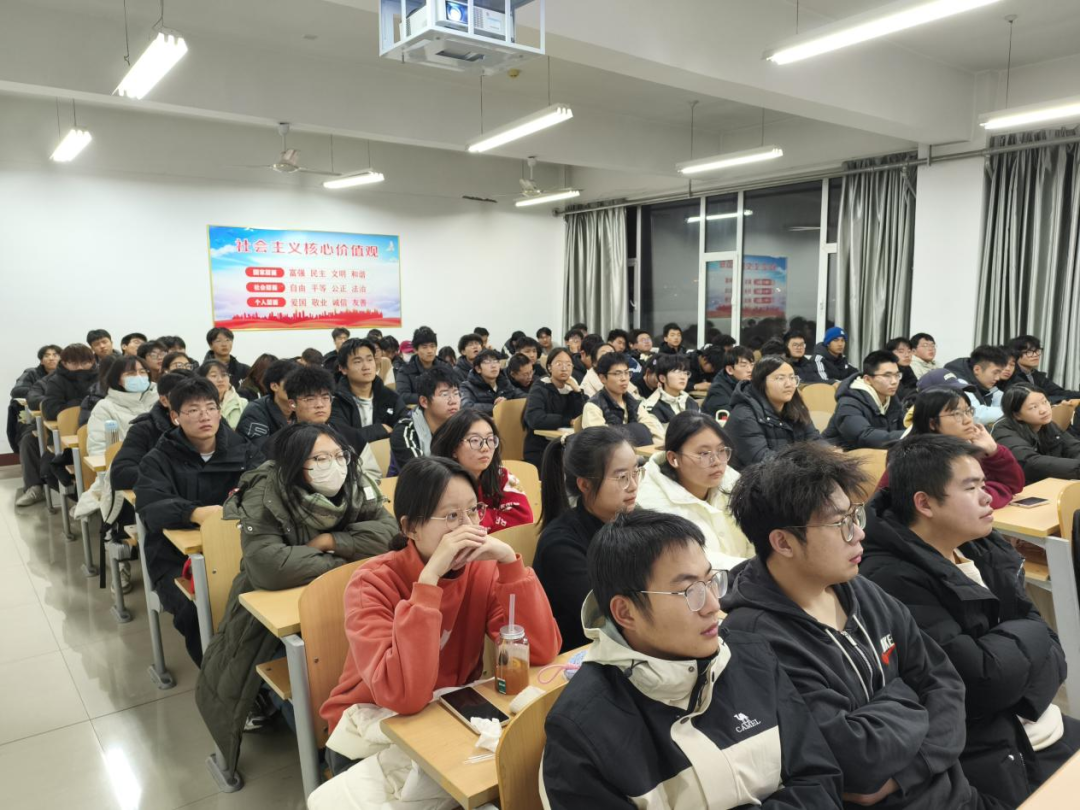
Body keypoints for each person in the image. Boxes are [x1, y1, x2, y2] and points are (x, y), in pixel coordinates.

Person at [721, 443, 991, 810]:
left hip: (954, 792)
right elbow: (859, 760)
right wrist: (909, 696)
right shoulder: (754, 637)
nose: (859, 534)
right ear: (783, 542)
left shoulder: (860, 589)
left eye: (855, 516)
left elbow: (945, 682)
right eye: (840, 524)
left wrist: (906, 767)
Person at [541, 511, 844, 810]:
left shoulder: (753, 657)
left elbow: (820, 780)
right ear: (625, 612)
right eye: (689, 591)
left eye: (711, 581)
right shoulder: (580, 729)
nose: (713, 604)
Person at [311, 457, 560, 798]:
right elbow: (406, 697)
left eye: (473, 511)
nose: (468, 527)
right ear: (410, 527)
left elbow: (541, 651)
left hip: (450, 713)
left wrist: (509, 564)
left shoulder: (481, 569)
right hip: (371, 730)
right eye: (452, 517)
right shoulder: (371, 583)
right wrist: (428, 582)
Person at [864, 435, 1080, 806]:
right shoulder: (890, 577)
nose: (987, 497)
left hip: (1038, 722)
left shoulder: (979, 543)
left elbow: (1055, 652)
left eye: (984, 484)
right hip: (994, 753)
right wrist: (1031, 635)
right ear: (924, 503)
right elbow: (982, 684)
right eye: (971, 487)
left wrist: (1019, 675)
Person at [196, 422, 397, 774]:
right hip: (272, 612)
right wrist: (345, 561)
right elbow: (268, 565)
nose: (334, 466)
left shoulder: (355, 482)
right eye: (319, 459)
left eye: (339, 455)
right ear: (293, 463)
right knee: (307, 671)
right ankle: (323, 753)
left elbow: (390, 534)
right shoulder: (265, 490)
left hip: (344, 596)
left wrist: (331, 542)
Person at [135, 377, 264, 665]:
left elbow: (265, 491)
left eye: (210, 407)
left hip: (240, 548)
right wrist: (193, 513)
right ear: (175, 417)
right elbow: (150, 506)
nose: (204, 416)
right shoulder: (158, 458)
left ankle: (252, 672)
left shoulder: (244, 450)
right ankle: (215, 675)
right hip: (174, 556)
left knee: (260, 601)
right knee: (196, 609)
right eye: (193, 410)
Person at [533, 427, 639, 650]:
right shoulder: (559, 545)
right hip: (584, 655)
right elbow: (607, 619)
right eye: (622, 477)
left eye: (636, 472)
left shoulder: (636, 521)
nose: (633, 486)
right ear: (585, 485)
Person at [637, 411, 754, 568]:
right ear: (673, 459)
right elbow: (695, 563)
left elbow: (756, 531)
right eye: (704, 453)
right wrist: (755, 570)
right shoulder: (652, 504)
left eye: (721, 450)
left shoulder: (731, 479)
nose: (717, 461)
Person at [878, 386, 1023, 508]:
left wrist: (994, 451)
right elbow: (967, 504)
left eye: (968, 411)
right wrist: (1002, 490)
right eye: (957, 414)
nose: (968, 420)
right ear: (932, 423)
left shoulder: (964, 446)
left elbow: (1015, 485)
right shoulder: (919, 457)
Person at [431, 409, 533, 531]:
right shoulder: (438, 483)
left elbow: (523, 520)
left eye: (490, 440)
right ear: (454, 448)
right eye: (475, 440)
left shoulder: (502, 475)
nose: (485, 448)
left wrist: (477, 516)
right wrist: (494, 515)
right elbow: (445, 526)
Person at [725, 355, 823, 468]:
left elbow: (816, 440)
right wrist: (808, 462)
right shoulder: (744, 416)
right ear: (761, 382)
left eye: (792, 378)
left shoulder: (796, 407)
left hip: (793, 472)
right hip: (756, 476)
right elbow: (763, 462)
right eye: (780, 378)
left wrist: (829, 454)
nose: (789, 384)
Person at [111, 370, 194, 494]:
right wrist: (175, 475)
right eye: (182, 396)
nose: (192, 402)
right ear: (164, 400)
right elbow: (120, 474)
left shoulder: (213, 424)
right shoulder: (144, 429)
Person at [992, 385, 1080, 482]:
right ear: (1017, 415)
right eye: (1034, 407)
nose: (1044, 410)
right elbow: (1030, 463)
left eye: (1044, 402)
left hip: (1047, 481)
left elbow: (1073, 447)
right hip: (1018, 486)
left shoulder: (1046, 423)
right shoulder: (1004, 431)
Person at [329, 337, 408, 444]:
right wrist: (380, 429)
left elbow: (405, 429)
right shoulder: (335, 401)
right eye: (357, 362)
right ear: (343, 369)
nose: (366, 366)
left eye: (370, 360)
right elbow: (341, 438)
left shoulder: (390, 397)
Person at [822, 350, 906, 450]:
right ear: (867, 379)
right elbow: (863, 436)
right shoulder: (849, 402)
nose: (894, 381)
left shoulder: (892, 400)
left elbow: (905, 427)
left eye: (897, 375)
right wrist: (907, 435)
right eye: (887, 376)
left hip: (875, 452)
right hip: (838, 454)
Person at [582, 352, 664, 446]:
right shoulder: (593, 406)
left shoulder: (631, 402)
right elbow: (599, 442)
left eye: (627, 373)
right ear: (602, 378)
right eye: (617, 374)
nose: (624, 378)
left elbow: (653, 429)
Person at [522, 347, 586, 469]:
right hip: (541, 448)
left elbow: (581, 416)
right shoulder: (540, 387)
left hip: (567, 446)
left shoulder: (571, 388)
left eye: (568, 364)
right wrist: (568, 421)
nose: (564, 368)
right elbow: (535, 419)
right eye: (559, 364)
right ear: (549, 367)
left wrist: (577, 392)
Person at [389, 366, 460, 474]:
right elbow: (420, 474)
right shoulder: (405, 431)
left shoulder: (462, 424)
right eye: (444, 394)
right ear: (424, 402)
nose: (453, 401)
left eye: (456, 393)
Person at [10, 345, 59, 500]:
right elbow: (17, 391)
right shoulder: (32, 373)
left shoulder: (69, 375)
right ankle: (34, 487)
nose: (51, 358)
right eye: (47, 355)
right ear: (41, 360)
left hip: (63, 420)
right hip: (37, 418)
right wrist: (42, 394)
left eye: (55, 355)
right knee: (28, 439)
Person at [235, 358, 300, 447]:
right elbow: (261, 451)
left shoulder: (303, 407)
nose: (297, 387)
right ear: (274, 386)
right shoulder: (255, 412)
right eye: (290, 383)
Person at [1002, 335, 1080, 404]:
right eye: (1029, 352)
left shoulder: (1036, 374)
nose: (1036, 355)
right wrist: (1063, 400)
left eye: (1037, 351)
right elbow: (1033, 399)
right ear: (1016, 354)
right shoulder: (1011, 375)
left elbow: (1059, 392)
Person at [944, 345, 1009, 425]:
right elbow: (976, 415)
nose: (998, 378)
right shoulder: (959, 382)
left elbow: (998, 396)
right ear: (977, 369)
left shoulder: (983, 382)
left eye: (999, 373)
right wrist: (1011, 412)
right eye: (995, 373)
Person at [395, 326, 455, 405]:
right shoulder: (405, 371)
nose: (430, 351)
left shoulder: (445, 367)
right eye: (424, 347)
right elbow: (402, 396)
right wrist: (431, 398)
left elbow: (456, 390)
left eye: (432, 346)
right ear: (415, 350)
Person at [642, 351, 700, 427]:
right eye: (677, 372)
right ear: (662, 378)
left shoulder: (691, 402)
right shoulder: (652, 407)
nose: (683, 377)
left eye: (686, 373)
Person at [459, 348, 525, 414]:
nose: (493, 366)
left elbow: (520, 395)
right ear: (478, 369)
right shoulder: (467, 387)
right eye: (487, 362)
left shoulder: (504, 382)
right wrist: (496, 407)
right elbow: (466, 407)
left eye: (496, 361)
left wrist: (506, 403)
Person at [702, 345, 754, 418]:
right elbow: (731, 417)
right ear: (730, 370)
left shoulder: (750, 384)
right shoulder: (717, 390)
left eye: (752, 365)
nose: (750, 370)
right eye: (743, 365)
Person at [197, 359, 248, 429]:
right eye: (214, 375)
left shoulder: (243, 403)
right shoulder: (195, 405)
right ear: (202, 379)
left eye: (224, 375)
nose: (220, 380)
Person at [886, 337, 919, 404]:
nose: (907, 355)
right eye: (901, 352)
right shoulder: (887, 369)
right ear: (889, 353)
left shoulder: (907, 368)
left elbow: (915, 386)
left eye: (909, 351)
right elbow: (901, 395)